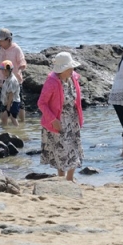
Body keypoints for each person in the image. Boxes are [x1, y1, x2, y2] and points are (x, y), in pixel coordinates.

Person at [37, 51, 84, 182]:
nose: (72, 69)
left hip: (72, 120)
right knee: (61, 152)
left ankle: (70, 178)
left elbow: (77, 101)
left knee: (74, 150)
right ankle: (61, 179)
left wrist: (80, 118)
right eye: (69, 67)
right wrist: (53, 120)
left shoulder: (73, 78)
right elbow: (41, 103)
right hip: (58, 121)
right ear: (61, 69)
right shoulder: (51, 82)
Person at [0, 28, 27, 122]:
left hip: (15, 81)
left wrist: (18, 71)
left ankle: (21, 126)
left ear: (9, 40)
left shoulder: (16, 49)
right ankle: (5, 128)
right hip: (1, 81)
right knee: (2, 105)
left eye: (1, 40)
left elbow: (22, 63)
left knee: (19, 103)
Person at [0, 60, 21, 126]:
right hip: (7, 101)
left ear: (6, 70)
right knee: (4, 117)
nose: (2, 72)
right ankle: (5, 130)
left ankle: (17, 130)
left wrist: (8, 107)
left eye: (2, 70)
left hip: (13, 102)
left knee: (13, 117)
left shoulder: (12, 80)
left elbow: (11, 94)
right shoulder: (7, 78)